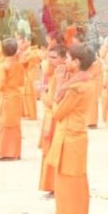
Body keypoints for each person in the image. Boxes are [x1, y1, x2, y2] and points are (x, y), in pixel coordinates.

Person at [45, 43, 95, 214]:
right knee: (74, 186)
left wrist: (51, 93)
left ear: (77, 62)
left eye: (67, 58)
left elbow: (58, 112)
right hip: (75, 136)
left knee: (68, 188)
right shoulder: (83, 81)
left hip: (70, 138)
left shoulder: (76, 88)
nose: (64, 61)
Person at [38, 44, 68, 196]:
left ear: (63, 58)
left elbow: (55, 101)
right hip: (51, 117)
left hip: (55, 118)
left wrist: (42, 93)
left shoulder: (61, 76)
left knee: (53, 152)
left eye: (54, 57)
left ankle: (55, 186)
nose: (50, 60)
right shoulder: (56, 73)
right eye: (49, 57)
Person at [0, 38, 24, 160]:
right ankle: (15, 152)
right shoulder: (18, 64)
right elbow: (21, 81)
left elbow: (1, 84)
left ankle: (8, 152)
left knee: (5, 123)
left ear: (2, 51)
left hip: (7, 97)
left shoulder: (3, 66)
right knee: (15, 124)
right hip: (16, 95)